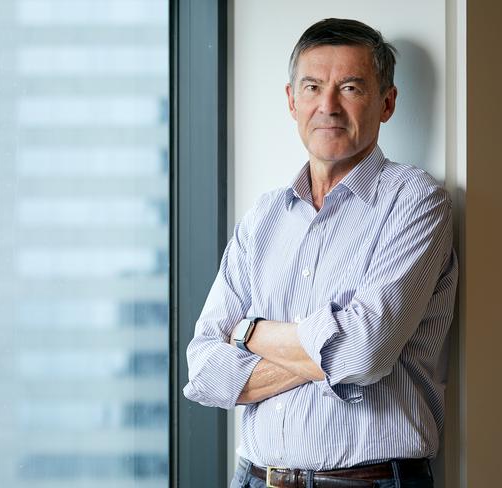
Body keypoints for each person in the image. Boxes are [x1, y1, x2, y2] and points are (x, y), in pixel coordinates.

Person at [184, 18, 458, 488]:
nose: (327, 106)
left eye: (350, 87)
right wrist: (325, 355)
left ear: (386, 103)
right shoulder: (263, 218)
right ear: (292, 101)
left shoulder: (415, 202)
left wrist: (248, 332)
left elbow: (363, 353)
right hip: (254, 479)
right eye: (312, 87)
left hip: (369, 481)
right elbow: (205, 371)